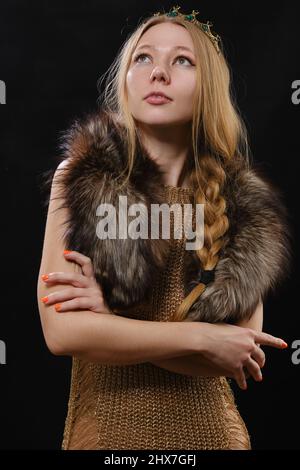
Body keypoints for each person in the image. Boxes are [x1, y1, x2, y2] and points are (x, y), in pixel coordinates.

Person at [37, 6, 292, 450]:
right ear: (126, 78)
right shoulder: (80, 178)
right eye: (144, 58)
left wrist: (110, 322)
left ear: (207, 86)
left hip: (214, 434)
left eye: (182, 61)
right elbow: (63, 333)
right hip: (106, 435)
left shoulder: (240, 201)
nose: (158, 73)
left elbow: (236, 353)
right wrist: (199, 336)